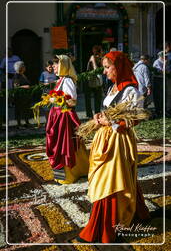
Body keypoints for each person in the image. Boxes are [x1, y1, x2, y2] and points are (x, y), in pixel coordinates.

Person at [77, 51, 149, 243]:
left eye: (108, 67)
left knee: (110, 180)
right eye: (105, 67)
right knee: (111, 177)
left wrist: (113, 124)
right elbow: (108, 111)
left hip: (119, 140)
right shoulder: (112, 89)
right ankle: (134, 212)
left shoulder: (131, 90)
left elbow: (135, 119)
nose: (105, 71)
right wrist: (98, 118)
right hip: (105, 138)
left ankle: (110, 224)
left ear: (119, 67)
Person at [46, 55, 89, 184]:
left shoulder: (68, 81)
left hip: (64, 117)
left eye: (56, 64)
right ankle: (78, 169)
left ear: (63, 65)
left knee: (64, 145)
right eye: (53, 64)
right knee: (60, 143)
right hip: (57, 116)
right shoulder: (61, 80)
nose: (53, 66)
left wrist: (58, 100)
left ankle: (69, 175)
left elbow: (73, 101)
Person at [84, 45, 103, 118]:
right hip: (89, 80)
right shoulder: (93, 57)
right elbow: (96, 70)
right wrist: (94, 61)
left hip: (96, 80)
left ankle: (96, 113)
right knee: (88, 98)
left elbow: (101, 70)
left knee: (97, 97)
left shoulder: (100, 58)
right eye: (101, 50)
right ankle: (90, 114)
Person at [13, 61, 31, 128]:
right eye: (23, 66)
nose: (25, 67)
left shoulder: (23, 74)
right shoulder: (16, 76)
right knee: (19, 109)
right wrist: (25, 87)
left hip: (25, 95)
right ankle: (19, 124)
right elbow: (16, 86)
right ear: (20, 67)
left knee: (26, 109)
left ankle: (27, 122)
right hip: (19, 95)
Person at [152, 51, 164, 118]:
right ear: (160, 56)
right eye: (163, 56)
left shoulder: (163, 61)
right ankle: (158, 110)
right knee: (158, 95)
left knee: (162, 95)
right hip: (157, 79)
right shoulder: (157, 62)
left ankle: (161, 109)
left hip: (162, 79)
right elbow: (160, 71)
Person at [165, 41, 171, 117]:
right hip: (168, 76)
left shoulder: (167, 56)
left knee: (168, 94)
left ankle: (168, 109)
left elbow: (166, 67)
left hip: (168, 76)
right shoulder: (167, 55)